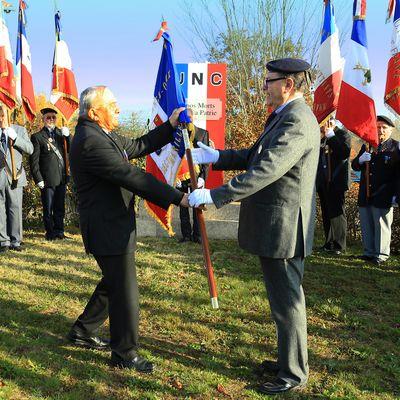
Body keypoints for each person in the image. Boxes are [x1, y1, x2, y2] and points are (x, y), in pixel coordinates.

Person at [188, 58, 320, 395]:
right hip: (277, 224)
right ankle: (286, 361)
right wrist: (218, 156)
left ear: (287, 84)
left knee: (288, 303)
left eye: (269, 81)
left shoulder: (298, 120)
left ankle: (293, 374)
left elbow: (266, 171)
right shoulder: (283, 116)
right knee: (282, 301)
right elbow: (255, 155)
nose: (264, 86)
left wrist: (214, 195)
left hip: (285, 227)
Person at [67, 86, 188, 372]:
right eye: (112, 104)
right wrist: (177, 197)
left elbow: (136, 146)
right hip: (107, 228)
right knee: (125, 290)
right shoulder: (90, 141)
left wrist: (169, 126)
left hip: (114, 224)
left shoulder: (101, 134)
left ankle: (83, 330)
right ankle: (124, 352)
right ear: (95, 112)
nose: (118, 108)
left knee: (114, 281)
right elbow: (131, 175)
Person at [351, 115, 399, 265]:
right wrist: (360, 160)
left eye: (384, 128)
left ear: (391, 130)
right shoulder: (368, 145)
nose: (380, 130)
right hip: (366, 193)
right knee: (366, 224)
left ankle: (381, 255)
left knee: (382, 225)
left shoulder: (395, 147)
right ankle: (368, 252)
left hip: (384, 193)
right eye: (378, 127)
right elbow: (355, 166)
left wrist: (396, 195)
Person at [29, 108, 71, 240]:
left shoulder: (61, 134)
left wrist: (68, 136)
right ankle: (50, 232)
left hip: (61, 177)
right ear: (43, 120)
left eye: (53, 117)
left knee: (59, 207)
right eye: (48, 117)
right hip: (47, 179)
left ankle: (59, 231)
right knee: (48, 208)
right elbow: (34, 161)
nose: (51, 120)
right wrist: (38, 178)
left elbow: (72, 149)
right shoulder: (37, 137)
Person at [0, 104, 33, 252]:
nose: (1, 119)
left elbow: (30, 149)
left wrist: (16, 138)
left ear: (8, 114)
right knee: (0, 209)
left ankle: (15, 241)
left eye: (3, 115)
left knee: (15, 207)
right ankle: (3, 241)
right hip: (0, 175)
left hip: (15, 175)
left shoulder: (19, 130)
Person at [317, 117, 351, 254]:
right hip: (323, 182)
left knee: (337, 212)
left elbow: (344, 153)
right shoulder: (322, 138)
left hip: (336, 181)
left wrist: (331, 134)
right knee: (326, 212)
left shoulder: (342, 134)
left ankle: (339, 244)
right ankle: (329, 242)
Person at [176, 108, 209, 243]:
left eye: (189, 117)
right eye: (185, 117)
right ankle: (186, 236)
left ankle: (198, 236)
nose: (187, 120)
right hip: (182, 176)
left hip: (197, 176)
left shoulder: (202, 133)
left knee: (198, 207)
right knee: (183, 207)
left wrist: (202, 177)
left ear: (193, 117)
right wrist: (175, 177)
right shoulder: (176, 135)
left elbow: (206, 158)